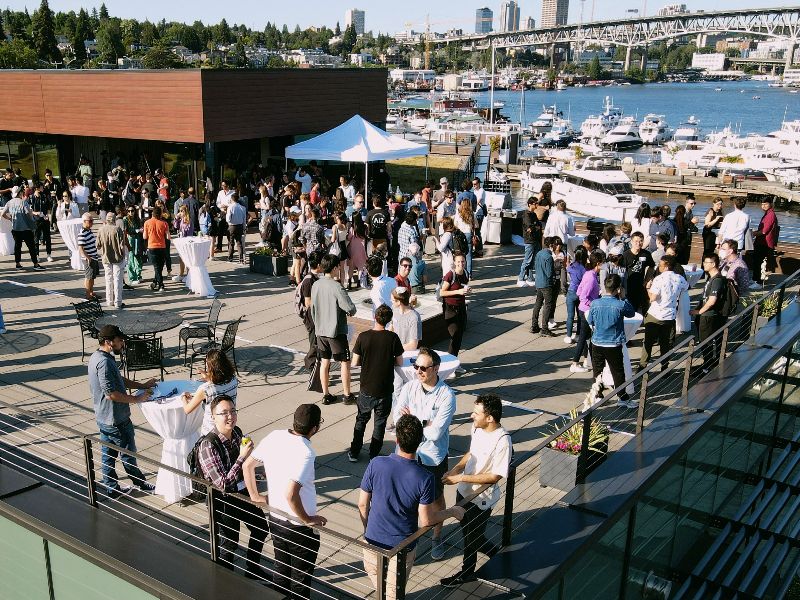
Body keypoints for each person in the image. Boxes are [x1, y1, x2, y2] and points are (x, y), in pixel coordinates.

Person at [359, 414, 465, 599]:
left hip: (372, 541)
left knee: (380, 588)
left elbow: (362, 504)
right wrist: (452, 511)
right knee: (393, 594)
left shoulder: (376, 464)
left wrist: (369, 529)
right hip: (402, 547)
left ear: (397, 439)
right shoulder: (425, 478)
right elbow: (427, 520)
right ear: (420, 441)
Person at [246, 404, 327, 600]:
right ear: (314, 428)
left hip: (275, 518)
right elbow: (291, 494)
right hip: (298, 528)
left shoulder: (275, 436)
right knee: (300, 580)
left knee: (281, 571)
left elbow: (248, 465)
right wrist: (307, 519)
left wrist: (255, 496)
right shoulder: (306, 452)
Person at [440, 394, 512, 587]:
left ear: (490, 418)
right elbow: (471, 452)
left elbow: (496, 475)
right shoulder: (477, 428)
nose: (472, 416)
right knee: (469, 535)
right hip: (463, 493)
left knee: (473, 539)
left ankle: (467, 572)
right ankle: (496, 556)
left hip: (481, 499)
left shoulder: (503, 441)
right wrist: (456, 469)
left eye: (476, 413)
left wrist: (461, 477)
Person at [393, 347, 457, 560]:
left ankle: (437, 537)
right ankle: (408, 537)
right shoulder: (409, 387)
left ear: (436, 368)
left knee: (436, 500)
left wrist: (413, 421)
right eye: (415, 366)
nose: (418, 371)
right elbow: (397, 420)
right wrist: (423, 423)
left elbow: (437, 432)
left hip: (432, 458)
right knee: (406, 498)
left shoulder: (446, 395)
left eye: (423, 367)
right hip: (407, 455)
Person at [198, 396, 269, 581]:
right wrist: (241, 457)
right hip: (222, 500)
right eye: (224, 413)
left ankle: (252, 569)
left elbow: (243, 468)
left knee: (261, 528)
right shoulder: (208, 445)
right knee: (229, 543)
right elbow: (222, 485)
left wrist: (250, 459)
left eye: (232, 411)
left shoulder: (236, 432)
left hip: (241, 492)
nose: (230, 416)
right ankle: (225, 581)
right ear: (213, 417)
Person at [88, 324, 156, 498]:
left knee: (108, 456)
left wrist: (141, 385)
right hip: (116, 420)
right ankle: (140, 483)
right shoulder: (104, 363)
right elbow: (111, 394)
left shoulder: (97, 356)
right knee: (127, 454)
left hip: (104, 418)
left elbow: (119, 379)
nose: (122, 343)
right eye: (119, 341)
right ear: (109, 342)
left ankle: (112, 489)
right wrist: (137, 399)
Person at [348, 304, 405, 460]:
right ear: (389, 320)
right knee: (379, 423)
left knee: (361, 420)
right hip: (385, 389)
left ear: (375, 317)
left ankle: (354, 451)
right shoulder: (392, 338)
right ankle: (374, 453)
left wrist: (367, 362)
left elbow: (354, 362)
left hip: (366, 387)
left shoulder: (363, 337)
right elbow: (400, 362)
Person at [311, 254, 357, 405]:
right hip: (336, 332)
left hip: (320, 331)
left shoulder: (316, 285)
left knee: (325, 361)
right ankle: (347, 394)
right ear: (336, 267)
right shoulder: (337, 286)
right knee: (344, 362)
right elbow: (350, 308)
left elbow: (312, 309)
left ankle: (326, 394)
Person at [586, 274, 637, 408]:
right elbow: (631, 313)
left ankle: (597, 395)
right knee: (618, 371)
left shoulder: (595, 303)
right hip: (613, 343)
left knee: (598, 370)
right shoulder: (620, 305)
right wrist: (624, 297)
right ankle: (622, 397)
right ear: (618, 289)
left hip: (597, 342)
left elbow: (590, 321)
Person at [640, 255, 688, 371]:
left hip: (655, 315)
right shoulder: (679, 278)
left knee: (648, 342)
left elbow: (652, 298)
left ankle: (643, 366)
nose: (658, 267)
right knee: (665, 343)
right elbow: (686, 287)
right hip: (670, 315)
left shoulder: (659, 279)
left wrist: (647, 288)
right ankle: (665, 366)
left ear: (666, 267)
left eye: (660, 265)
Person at [182, 349, 239, 434]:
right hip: (228, 427)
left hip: (211, 432)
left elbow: (187, 410)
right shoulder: (234, 379)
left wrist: (183, 396)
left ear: (211, 367)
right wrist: (208, 377)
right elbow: (220, 386)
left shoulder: (206, 389)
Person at [690, 254, 727, 374]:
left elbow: (712, 301)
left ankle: (707, 367)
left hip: (709, 316)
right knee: (705, 342)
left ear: (713, 264)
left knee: (706, 342)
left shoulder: (717, 280)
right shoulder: (710, 278)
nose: (704, 264)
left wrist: (699, 311)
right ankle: (707, 363)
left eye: (706, 262)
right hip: (707, 315)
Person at [570, 250, 605, 373]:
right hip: (587, 311)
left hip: (583, 310)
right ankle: (575, 362)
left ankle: (587, 359)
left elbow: (579, 290)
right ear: (598, 264)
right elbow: (583, 296)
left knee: (586, 337)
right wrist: (594, 303)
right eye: (603, 263)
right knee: (583, 337)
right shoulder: (591, 277)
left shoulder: (589, 274)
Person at [0, 188, 43, 271]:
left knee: (17, 246)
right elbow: (28, 214)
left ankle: (18, 264)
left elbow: (2, 214)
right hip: (25, 228)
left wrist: (10, 219)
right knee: (31, 246)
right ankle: (35, 264)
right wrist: (33, 220)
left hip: (15, 228)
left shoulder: (9, 202)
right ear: (19, 193)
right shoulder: (23, 202)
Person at [440, 253, 471, 358]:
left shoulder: (466, 273)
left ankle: (454, 361)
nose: (461, 264)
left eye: (462, 261)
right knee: (455, 336)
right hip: (450, 308)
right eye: (458, 261)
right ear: (454, 262)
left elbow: (463, 288)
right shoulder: (450, 275)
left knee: (459, 335)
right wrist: (459, 291)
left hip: (461, 307)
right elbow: (442, 293)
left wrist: (467, 291)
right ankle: (450, 362)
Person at [96, 212, 128, 309]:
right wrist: (123, 255)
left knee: (108, 279)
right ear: (114, 220)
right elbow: (122, 245)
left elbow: (98, 245)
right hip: (117, 257)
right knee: (117, 280)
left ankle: (109, 301)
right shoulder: (117, 229)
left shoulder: (101, 230)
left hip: (106, 257)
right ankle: (118, 302)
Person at [298, 249, 324, 370]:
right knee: (314, 344)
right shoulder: (309, 281)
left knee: (316, 343)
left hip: (314, 317)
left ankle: (314, 365)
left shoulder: (315, 278)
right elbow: (308, 303)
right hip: (311, 318)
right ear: (318, 265)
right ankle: (311, 365)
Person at [622, 232, 655, 316]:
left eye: (641, 241)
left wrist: (647, 279)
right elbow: (621, 271)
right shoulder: (626, 255)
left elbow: (651, 266)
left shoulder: (646, 254)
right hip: (628, 285)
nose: (638, 243)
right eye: (636, 241)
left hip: (640, 284)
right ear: (631, 242)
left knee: (638, 306)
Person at [530, 237, 557, 337]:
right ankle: (544, 328)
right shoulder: (549, 257)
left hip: (538, 282)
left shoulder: (539, 253)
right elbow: (549, 273)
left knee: (538, 303)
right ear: (550, 245)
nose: (555, 246)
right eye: (554, 244)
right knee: (548, 305)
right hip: (546, 284)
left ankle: (534, 325)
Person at [752, 197, 779, 287]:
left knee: (758, 262)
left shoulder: (770, 215)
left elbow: (764, 231)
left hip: (764, 243)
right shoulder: (767, 214)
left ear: (771, 204)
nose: (763, 206)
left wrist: (753, 233)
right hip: (762, 242)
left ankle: (758, 282)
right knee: (757, 261)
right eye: (762, 204)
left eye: (766, 204)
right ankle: (756, 280)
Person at [143, 205, 170, 292]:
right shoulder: (164, 223)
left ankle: (160, 284)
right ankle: (156, 282)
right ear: (160, 214)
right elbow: (168, 237)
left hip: (152, 246)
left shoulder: (147, 223)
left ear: (152, 213)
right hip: (162, 246)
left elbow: (144, 237)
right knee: (160, 267)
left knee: (156, 267)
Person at [564, 246, 588, 344]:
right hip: (580, 293)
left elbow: (568, 269)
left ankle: (568, 336)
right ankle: (578, 335)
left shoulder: (572, 266)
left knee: (570, 316)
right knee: (579, 316)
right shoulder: (584, 268)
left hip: (571, 292)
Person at [517, 197, 542, 287]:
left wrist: (535, 226)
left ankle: (530, 278)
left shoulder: (533, 214)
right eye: (535, 203)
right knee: (527, 260)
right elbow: (529, 228)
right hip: (529, 240)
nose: (537, 205)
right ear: (530, 204)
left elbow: (538, 225)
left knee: (533, 260)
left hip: (535, 239)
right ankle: (521, 277)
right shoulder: (526, 214)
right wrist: (535, 226)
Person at [77, 213, 102, 299]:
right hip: (89, 259)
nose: (92, 223)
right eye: (90, 221)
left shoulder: (88, 230)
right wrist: (88, 258)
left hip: (93, 257)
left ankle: (91, 292)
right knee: (88, 277)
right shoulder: (82, 233)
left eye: (92, 221)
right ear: (84, 221)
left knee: (92, 277)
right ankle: (88, 295)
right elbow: (80, 248)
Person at [390, 286, 422, 351]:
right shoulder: (394, 310)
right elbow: (391, 329)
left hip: (406, 353)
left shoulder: (414, 317)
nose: (391, 302)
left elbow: (413, 346)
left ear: (399, 302)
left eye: (393, 300)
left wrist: (393, 349)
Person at [29, 183, 54, 262]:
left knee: (47, 238)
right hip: (36, 220)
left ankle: (49, 254)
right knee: (36, 238)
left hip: (45, 219)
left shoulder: (44, 196)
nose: (43, 188)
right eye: (41, 187)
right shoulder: (31, 197)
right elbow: (30, 210)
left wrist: (48, 215)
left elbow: (49, 207)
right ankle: (37, 255)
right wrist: (35, 213)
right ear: (37, 189)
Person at [454, 199, 478, 276]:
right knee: (469, 255)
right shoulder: (472, 213)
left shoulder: (459, 213)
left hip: (460, 235)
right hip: (469, 234)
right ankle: (469, 274)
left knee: (460, 253)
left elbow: (455, 224)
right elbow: (477, 225)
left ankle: (461, 272)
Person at [122, 206, 143, 286]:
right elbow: (125, 231)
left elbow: (140, 226)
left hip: (138, 238)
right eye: (129, 211)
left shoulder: (137, 219)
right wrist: (135, 230)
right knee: (131, 258)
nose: (131, 212)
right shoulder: (125, 219)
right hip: (130, 239)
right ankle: (132, 277)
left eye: (132, 210)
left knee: (138, 257)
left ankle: (138, 274)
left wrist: (141, 229)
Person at [226, 193, 247, 263]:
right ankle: (241, 258)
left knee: (231, 242)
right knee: (239, 242)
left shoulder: (230, 207)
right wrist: (244, 227)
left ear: (232, 199)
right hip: (240, 226)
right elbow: (244, 219)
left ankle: (230, 257)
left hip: (232, 226)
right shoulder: (242, 208)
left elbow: (228, 219)